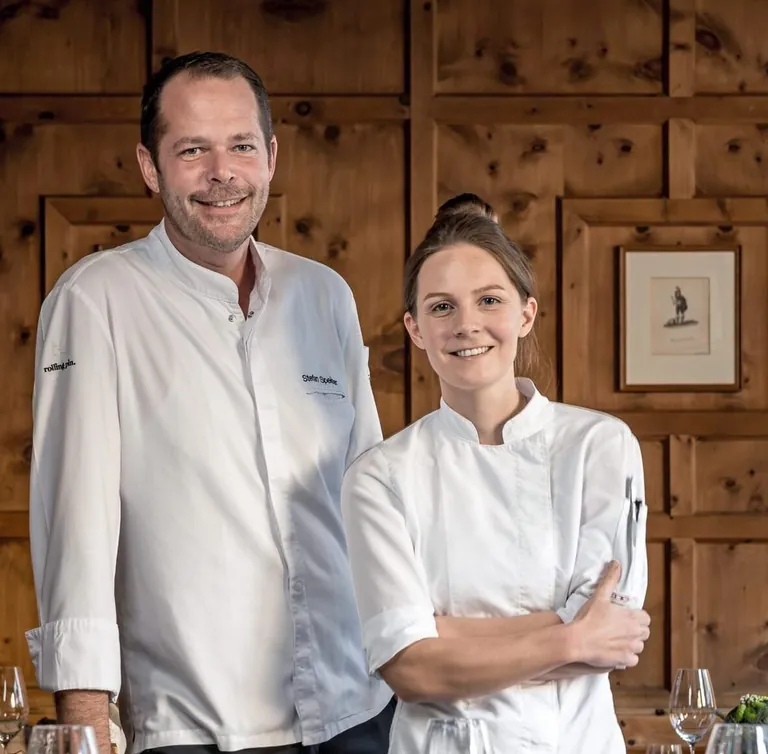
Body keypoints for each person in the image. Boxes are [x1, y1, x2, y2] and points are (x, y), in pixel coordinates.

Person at [25, 51, 394, 754]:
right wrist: (84, 713)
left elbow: (368, 491)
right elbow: (76, 518)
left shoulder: (324, 295)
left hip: (357, 707)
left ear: (271, 157)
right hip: (196, 725)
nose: (222, 172)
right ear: (150, 166)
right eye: (193, 150)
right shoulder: (95, 300)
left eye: (241, 146)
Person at [340, 200, 650, 753]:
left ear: (525, 315)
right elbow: (411, 670)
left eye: (489, 300)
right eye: (441, 307)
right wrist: (571, 637)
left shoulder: (600, 446)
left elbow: (613, 634)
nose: (466, 324)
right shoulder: (380, 477)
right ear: (415, 328)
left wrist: (443, 633)